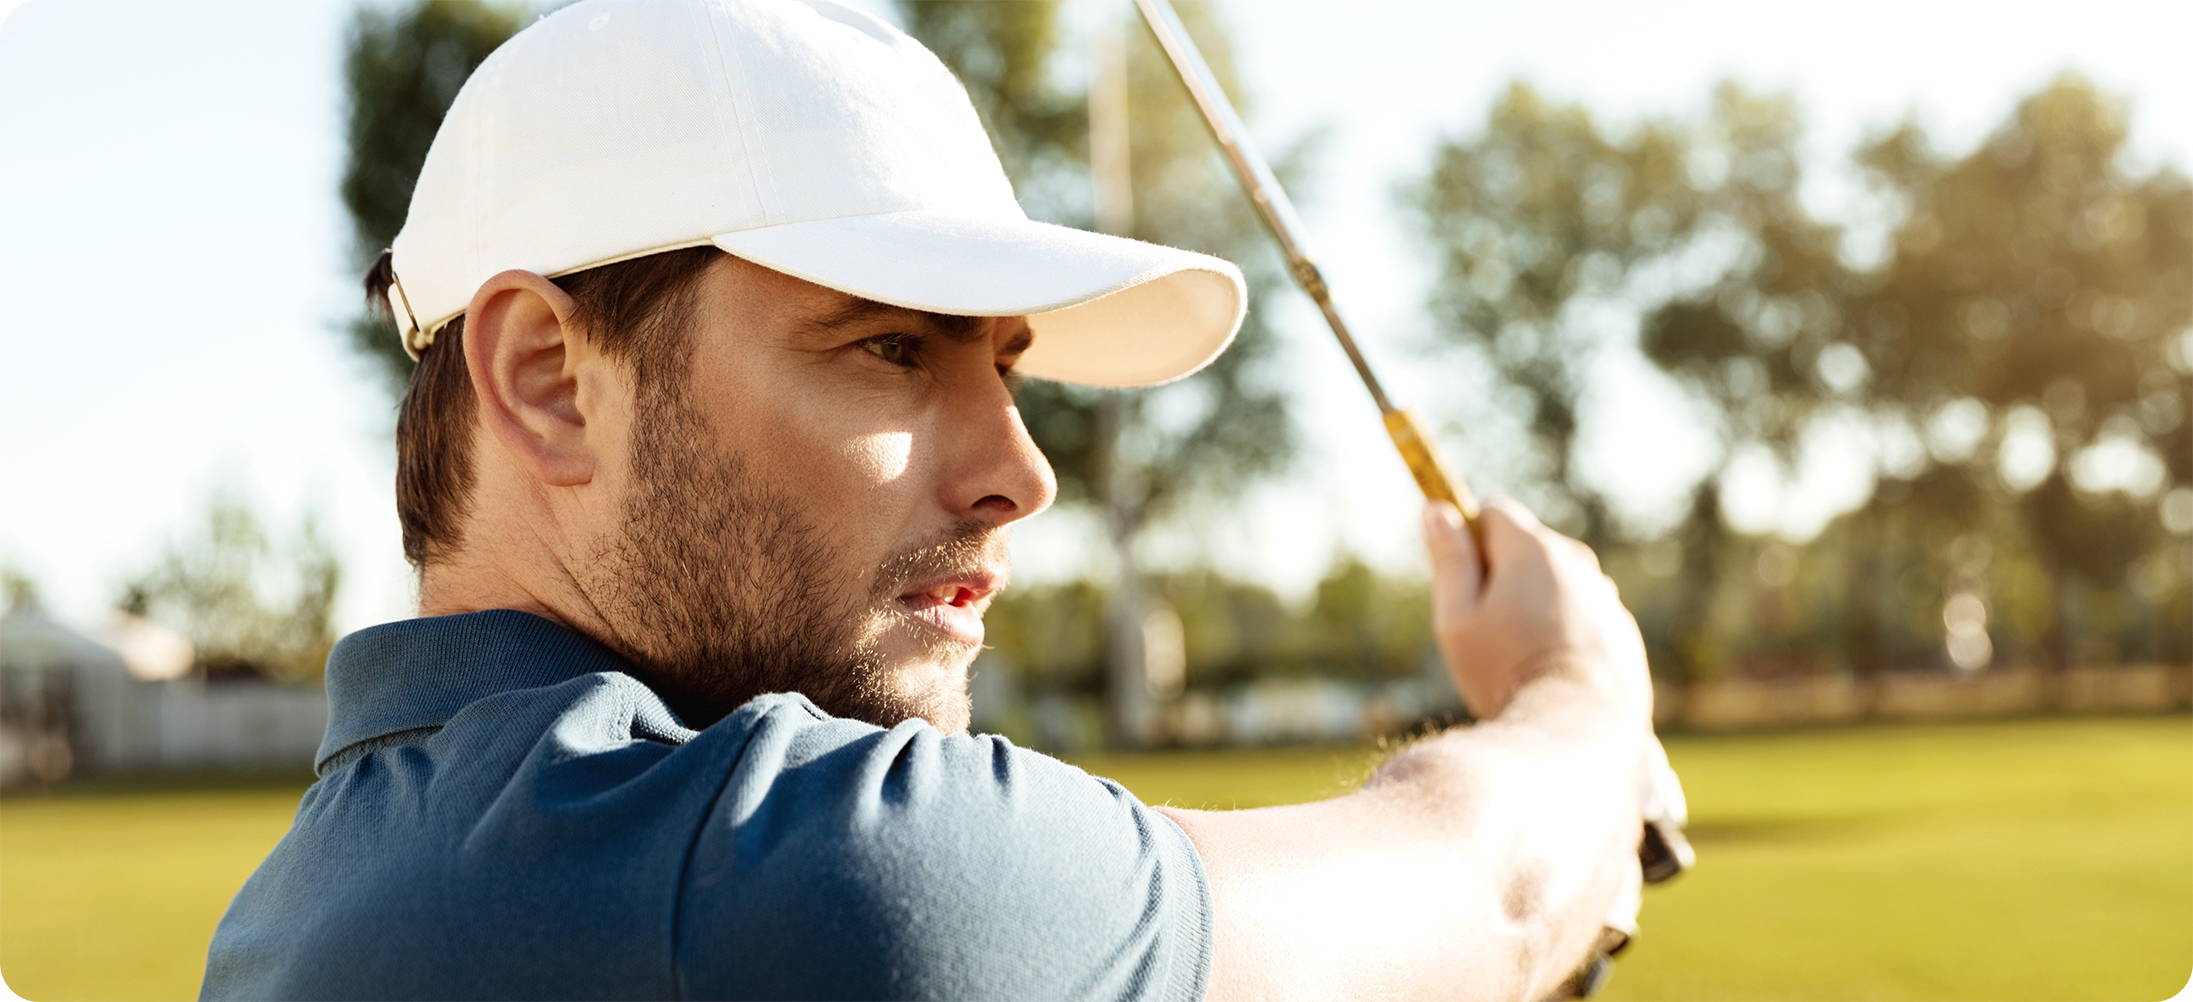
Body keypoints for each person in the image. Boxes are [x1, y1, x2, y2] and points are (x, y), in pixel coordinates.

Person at [202, 1, 1657, 999]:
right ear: (548, 379)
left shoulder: (303, 902)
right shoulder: (780, 870)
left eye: (1004, 365)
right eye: (890, 347)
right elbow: (1500, 897)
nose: (1021, 473)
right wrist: (1578, 695)